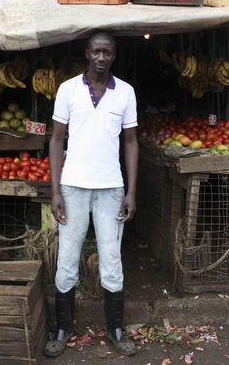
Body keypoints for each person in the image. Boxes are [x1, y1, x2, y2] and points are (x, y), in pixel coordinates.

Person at [44, 31, 138, 357]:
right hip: (73, 188)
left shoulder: (125, 92)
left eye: (107, 52)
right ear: (87, 52)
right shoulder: (67, 90)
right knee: (67, 259)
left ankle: (114, 329)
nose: (101, 57)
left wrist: (131, 191)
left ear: (114, 55)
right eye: (96, 51)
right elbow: (56, 141)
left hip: (111, 189)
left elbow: (130, 142)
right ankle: (63, 327)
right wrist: (55, 191)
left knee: (112, 261)